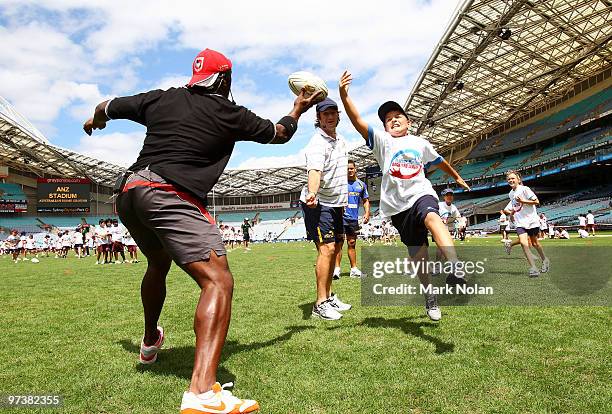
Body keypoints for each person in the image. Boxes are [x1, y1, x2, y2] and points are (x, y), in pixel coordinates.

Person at [83, 47, 320, 413]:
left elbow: (107, 105)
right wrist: (297, 109)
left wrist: (95, 122)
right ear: (224, 79)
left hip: (130, 192)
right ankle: (202, 393)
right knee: (218, 282)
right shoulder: (230, 113)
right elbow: (280, 133)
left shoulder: (161, 97)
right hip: (167, 193)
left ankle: (149, 343)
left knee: (157, 264)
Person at [339, 70, 470, 322]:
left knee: (433, 217)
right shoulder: (382, 142)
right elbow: (357, 120)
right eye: (388, 119)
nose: (393, 120)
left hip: (421, 194)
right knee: (419, 257)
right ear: (385, 126)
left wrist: (456, 177)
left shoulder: (420, 142)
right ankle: (429, 296)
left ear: (408, 121)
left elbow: (440, 161)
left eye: (398, 116)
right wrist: (345, 96)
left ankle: (455, 266)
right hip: (398, 208)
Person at [301, 97, 351, 320]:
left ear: (338, 115)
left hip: (336, 203)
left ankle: (328, 296)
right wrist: (313, 192)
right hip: (319, 202)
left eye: (333, 113)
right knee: (327, 249)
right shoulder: (317, 143)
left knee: (336, 249)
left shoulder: (340, 140)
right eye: (325, 114)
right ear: (319, 119)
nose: (330, 117)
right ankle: (320, 304)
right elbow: (315, 171)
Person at [502, 170, 550, 277]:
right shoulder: (511, 194)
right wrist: (511, 214)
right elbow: (516, 207)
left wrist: (524, 201)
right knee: (524, 243)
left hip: (532, 221)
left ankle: (545, 260)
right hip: (520, 222)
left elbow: (537, 202)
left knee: (535, 243)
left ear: (518, 179)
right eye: (509, 179)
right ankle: (533, 268)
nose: (511, 180)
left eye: (513, 178)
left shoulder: (525, 189)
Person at [333, 159, 370, 279]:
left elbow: (365, 200)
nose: (349, 170)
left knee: (352, 243)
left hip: (353, 219)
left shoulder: (361, 185)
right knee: (338, 243)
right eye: (347, 169)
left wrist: (367, 213)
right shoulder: (341, 183)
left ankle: (353, 269)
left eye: (351, 168)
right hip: (340, 218)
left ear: (355, 169)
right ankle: (336, 270)